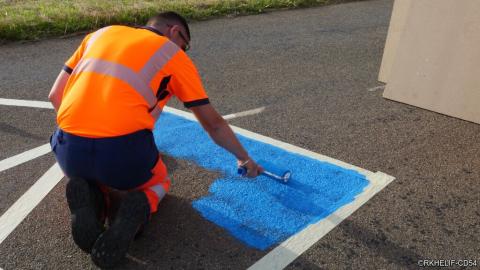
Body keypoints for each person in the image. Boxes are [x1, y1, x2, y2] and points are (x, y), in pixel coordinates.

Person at [48, 11, 263, 268]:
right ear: (174, 32)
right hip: (122, 152)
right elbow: (214, 124)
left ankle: (95, 196)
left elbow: (54, 95)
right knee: (159, 180)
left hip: (70, 152)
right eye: (185, 45)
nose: (184, 51)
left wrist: (80, 134)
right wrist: (244, 157)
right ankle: (136, 206)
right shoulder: (174, 56)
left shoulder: (100, 34)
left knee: (95, 169)